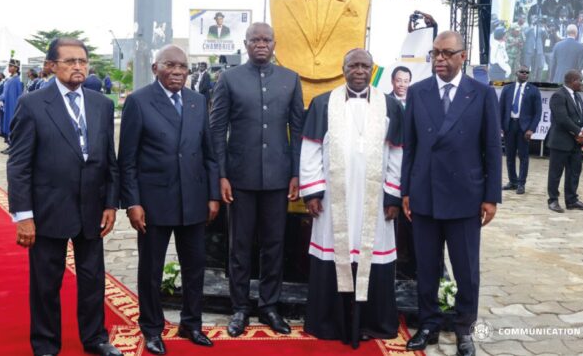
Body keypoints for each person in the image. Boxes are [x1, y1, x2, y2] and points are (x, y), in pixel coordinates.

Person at [6, 37, 122, 356]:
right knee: (46, 283)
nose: (77, 67)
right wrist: (24, 216)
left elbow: (108, 160)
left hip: (92, 209)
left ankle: (95, 338)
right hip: (48, 210)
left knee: (93, 279)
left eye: (82, 61)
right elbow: (18, 164)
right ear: (52, 66)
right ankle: (45, 343)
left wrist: (111, 203)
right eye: (70, 61)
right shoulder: (33, 104)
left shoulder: (102, 104)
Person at [402, 31, 501, 356]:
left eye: (446, 53)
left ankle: (464, 328)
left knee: (466, 270)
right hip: (425, 195)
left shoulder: (482, 94)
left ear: (463, 56)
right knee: (427, 268)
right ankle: (428, 323)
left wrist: (491, 196)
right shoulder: (418, 92)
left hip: (465, 197)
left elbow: (490, 148)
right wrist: (405, 191)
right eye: (435, 54)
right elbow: (410, 148)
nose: (439, 59)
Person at [118, 45, 220, 355]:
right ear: (155, 68)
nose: (177, 72)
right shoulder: (138, 102)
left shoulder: (197, 101)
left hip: (193, 200)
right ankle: (151, 328)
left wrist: (213, 195)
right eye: (170, 65)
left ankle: (191, 323)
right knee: (151, 269)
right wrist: (132, 202)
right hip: (153, 203)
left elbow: (209, 154)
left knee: (195, 267)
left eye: (183, 67)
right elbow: (128, 160)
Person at [300, 49, 403, 347]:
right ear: (342, 68)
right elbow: (310, 149)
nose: (359, 70)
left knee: (372, 255)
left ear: (373, 70)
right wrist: (313, 191)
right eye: (353, 65)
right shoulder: (322, 104)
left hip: (375, 200)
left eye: (365, 66)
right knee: (334, 252)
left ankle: (372, 321)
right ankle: (329, 322)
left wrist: (393, 195)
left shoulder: (391, 106)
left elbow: (397, 152)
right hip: (334, 200)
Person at [210, 22, 304, 337]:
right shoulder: (229, 79)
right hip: (239, 178)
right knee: (239, 246)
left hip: (278, 179)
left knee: (274, 245)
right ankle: (239, 308)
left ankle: (269, 306)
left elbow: (298, 130)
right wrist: (221, 175)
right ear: (246, 44)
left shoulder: (290, 79)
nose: (261, 44)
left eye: (266, 39)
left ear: (275, 43)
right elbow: (216, 130)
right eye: (255, 40)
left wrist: (296, 173)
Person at [545, 69, 583, 213]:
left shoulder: (577, 96)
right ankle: (553, 200)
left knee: (574, 172)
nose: (582, 83)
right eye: (580, 80)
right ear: (573, 81)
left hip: (576, 143)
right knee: (555, 173)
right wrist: (578, 132)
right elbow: (562, 119)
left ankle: (572, 200)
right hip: (560, 142)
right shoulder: (558, 96)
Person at [499, 66, 542, 194]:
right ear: (516, 73)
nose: (524, 74)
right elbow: (500, 109)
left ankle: (521, 183)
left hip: (524, 128)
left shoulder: (533, 90)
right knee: (509, 156)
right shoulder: (507, 89)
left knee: (523, 156)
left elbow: (538, 112)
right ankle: (513, 181)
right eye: (522, 72)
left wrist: (531, 129)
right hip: (509, 126)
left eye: (527, 73)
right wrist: (500, 126)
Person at [0, 58, 23, 152]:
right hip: (7, 105)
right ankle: (10, 145)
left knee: (12, 125)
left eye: (11, 66)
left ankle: (13, 146)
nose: (9, 68)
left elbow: (15, 96)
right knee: (8, 125)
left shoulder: (16, 80)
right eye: (9, 66)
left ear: (16, 68)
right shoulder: (10, 79)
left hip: (12, 106)